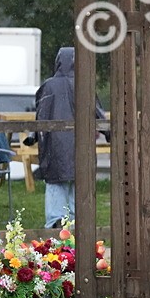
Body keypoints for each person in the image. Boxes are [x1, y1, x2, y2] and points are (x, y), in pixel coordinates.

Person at [32, 47, 104, 228]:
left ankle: (56, 233)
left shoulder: (48, 85)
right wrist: (112, 135)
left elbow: (41, 117)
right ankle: (76, 235)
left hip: (54, 149)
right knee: (77, 192)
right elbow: (99, 115)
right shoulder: (84, 84)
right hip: (82, 150)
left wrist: (34, 138)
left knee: (56, 192)